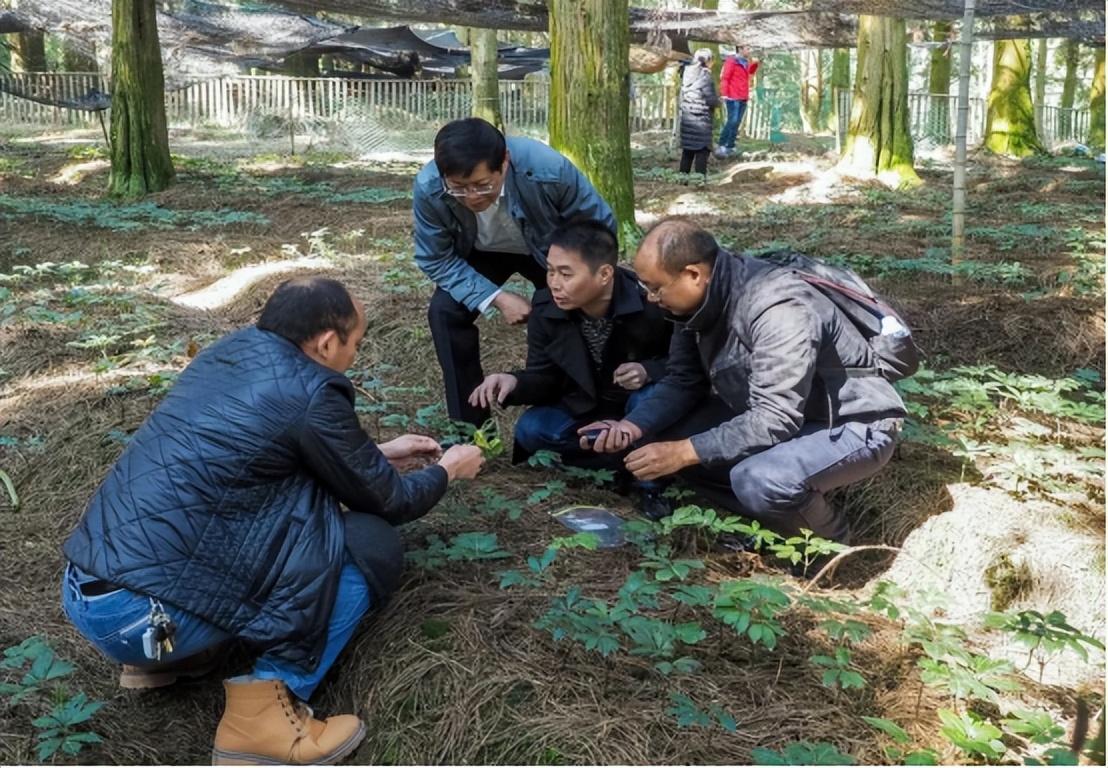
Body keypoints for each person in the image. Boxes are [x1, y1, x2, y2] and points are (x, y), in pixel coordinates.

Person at [60, 277, 485, 765]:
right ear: (327, 342)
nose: (355, 355)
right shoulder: (311, 392)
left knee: (278, 521)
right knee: (368, 542)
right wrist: (447, 470)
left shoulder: (231, 354)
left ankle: (179, 660)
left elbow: (260, 458)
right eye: (356, 343)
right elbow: (390, 503)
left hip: (95, 592)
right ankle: (262, 716)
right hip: (147, 617)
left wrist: (378, 454)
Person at [581, 219, 906, 543]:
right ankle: (772, 524)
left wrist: (683, 452)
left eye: (656, 287)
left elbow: (776, 417)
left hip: (851, 421)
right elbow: (683, 381)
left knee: (759, 479)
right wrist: (632, 427)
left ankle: (831, 549)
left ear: (693, 274)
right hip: (790, 413)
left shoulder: (777, 307)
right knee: (664, 435)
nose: (651, 298)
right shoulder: (694, 304)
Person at [413, 117, 617, 426]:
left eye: (483, 185)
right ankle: (470, 430)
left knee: (572, 309)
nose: (472, 198)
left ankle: (583, 407)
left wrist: (566, 277)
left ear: (504, 162)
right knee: (444, 312)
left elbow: (598, 227)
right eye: (458, 189)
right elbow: (435, 257)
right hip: (481, 252)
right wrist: (495, 297)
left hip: (549, 248)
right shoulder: (430, 187)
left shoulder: (547, 170)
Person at [468, 220, 671, 482]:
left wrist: (648, 371)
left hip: (636, 408)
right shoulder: (546, 308)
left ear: (605, 274)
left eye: (566, 274)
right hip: (584, 408)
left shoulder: (651, 304)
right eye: (550, 271)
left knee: (651, 398)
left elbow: (687, 365)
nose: (554, 283)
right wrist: (514, 381)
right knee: (532, 429)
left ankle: (650, 482)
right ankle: (620, 466)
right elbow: (545, 378)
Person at [678, 48, 720, 178]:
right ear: (708, 61)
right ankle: (699, 183)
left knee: (687, 152)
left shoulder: (687, 74)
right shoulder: (705, 77)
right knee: (702, 152)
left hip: (687, 119)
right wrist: (719, 101)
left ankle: (682, 180)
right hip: (701, 121)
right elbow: (711, 100)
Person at [716, 46, 760, 158]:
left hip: (743, 96)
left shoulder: (746, 61)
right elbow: (725, 77)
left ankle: (730, 146)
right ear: (740, 49)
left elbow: (750, 73)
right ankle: (721, 145)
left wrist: (755, 64)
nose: (749, 50)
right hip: (732, 95)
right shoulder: (731, 60)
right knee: (732, 120)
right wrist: (724, 93)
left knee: (737, 122)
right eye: (747, 48)